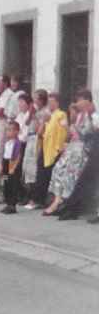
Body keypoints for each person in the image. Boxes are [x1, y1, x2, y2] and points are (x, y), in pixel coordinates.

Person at [43, 101, 93, 216]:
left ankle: (64, 202)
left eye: (72, 112)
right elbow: (70, 138)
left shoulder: (86, 119)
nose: (70, 114)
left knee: (70, 174)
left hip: (80, 151)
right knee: (57, 170)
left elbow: (84, 136)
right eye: (70, 112)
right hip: (71, 150)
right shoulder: (74, 122)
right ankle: (58, 200)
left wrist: (71, 128)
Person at [58, 91, 99, 220]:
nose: (78, 103)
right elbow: (84, 133)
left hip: (95, 151)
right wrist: (74, 127)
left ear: (87, 100)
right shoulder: (87, 115)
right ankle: (72, 208)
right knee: (84, 180)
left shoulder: (94, 113)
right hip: (92, 151)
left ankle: (72, 208)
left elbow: (92, 131)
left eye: (80, 100)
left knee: (85, 180)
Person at [32, 92, 67, 208]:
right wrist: (43, 121)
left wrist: (59, 148)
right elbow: (39, 133)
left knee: (48, 175)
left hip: (54, 150)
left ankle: (46, 200)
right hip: (45, 147)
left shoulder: (61, 115)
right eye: (49, 102)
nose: (50, 105)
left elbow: (63, 132)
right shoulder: (49, 116)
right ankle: (38, 199)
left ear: (57, 102)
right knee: (41, 174)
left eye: (52, 102)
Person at [23, 90, 49, 210]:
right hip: (30, 137)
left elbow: (41, 129)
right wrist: (31, 113)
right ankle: (28, 196)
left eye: (36, 99)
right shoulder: (35, 111)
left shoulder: (45, 112)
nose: (34, 102)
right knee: (27, 168)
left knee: (34, 169)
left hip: (38, 140)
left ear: (42, 100)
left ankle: (35, 199)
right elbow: (27, 123)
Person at [0, 121, 23, 214]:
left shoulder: (17, 143)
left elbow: (18, 156)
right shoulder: (7, 143)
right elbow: (4, 155)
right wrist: (3, 168)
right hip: (6, 164)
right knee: (6, 184)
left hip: (12, 165)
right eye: (7, 130)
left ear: (17, 132)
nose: (8, 132)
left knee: (13, 184)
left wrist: (13, 167)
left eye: (11, 130)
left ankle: (12, 205)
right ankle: (7, 202)